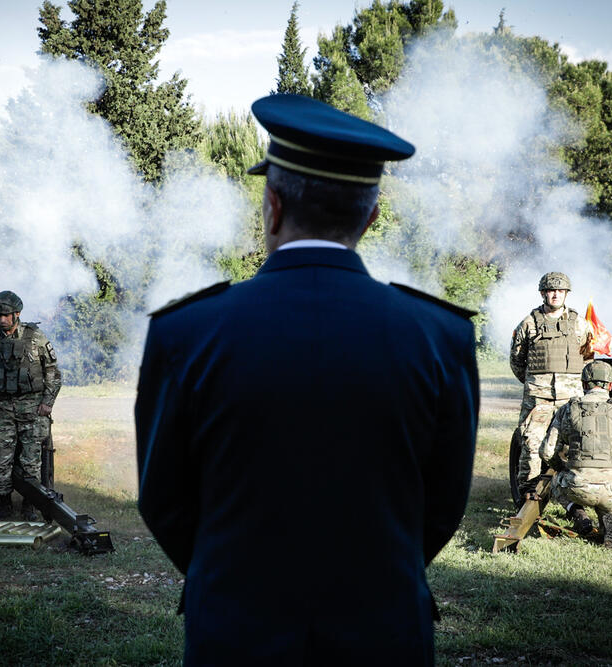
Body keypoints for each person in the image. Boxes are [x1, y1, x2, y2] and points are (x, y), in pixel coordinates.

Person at [135, 94, 479, 666]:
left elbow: (164, 498)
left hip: (236, 633)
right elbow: (443, 503)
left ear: (272, 206)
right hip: (383, 633)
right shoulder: (440, 335)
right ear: (371, 217)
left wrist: (235, 579)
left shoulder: (186, 331)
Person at [0, 290, 61, 521]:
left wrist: (48, 402)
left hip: (33, 410)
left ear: (17, 314)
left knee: (31, 462)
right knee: (0, 460)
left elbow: (53, 372)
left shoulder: (36, 338)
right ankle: (4, 503)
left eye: (6, 315)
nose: (2, 319)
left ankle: (29, 504)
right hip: (2, 409)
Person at [509, 272, 594, 500]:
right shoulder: (528, 323)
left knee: (577, 444)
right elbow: (517, 361)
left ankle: (575, 490)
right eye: (550, 291)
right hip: (539, 398)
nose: (555, 295)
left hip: (571, 398)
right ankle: (528, 490)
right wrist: (535, 384)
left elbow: (587, 358)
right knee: (531, 443)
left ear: (566, 294)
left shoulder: (580, 324)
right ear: (543, 293)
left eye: (560, 291)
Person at [539, 361, 612, 548]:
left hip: (579, 486)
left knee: (556, 480)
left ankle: (578, 513)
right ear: (610, 385)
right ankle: (611, 521)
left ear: (584, 384)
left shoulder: (568, 410)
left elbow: (546, 452)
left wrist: (563, 468)